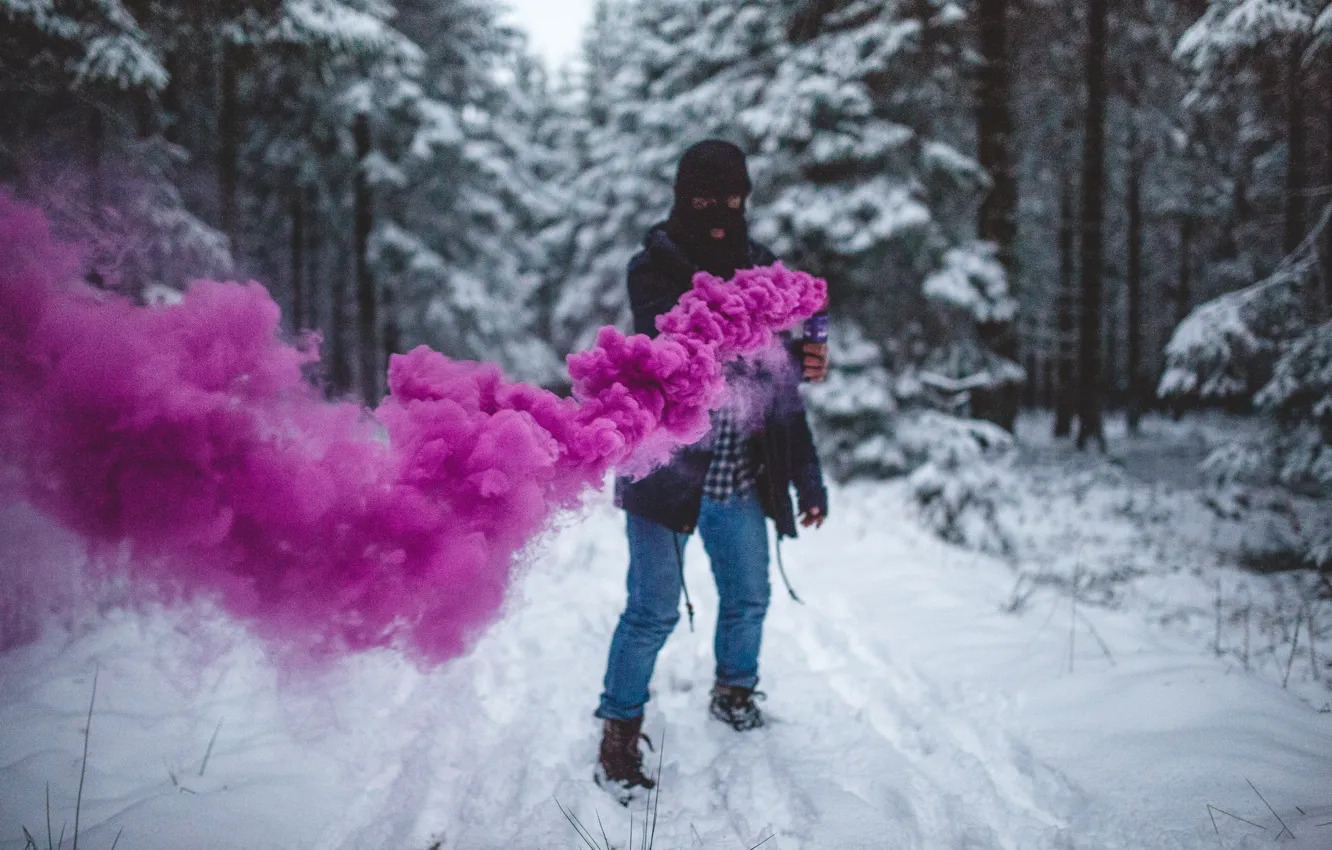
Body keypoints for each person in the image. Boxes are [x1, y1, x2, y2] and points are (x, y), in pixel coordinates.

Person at [593, 139, 830, 801]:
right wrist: (764, 309)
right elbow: (674, 344)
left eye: (731, 200)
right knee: (651, 612)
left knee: (750, 597)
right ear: (680, 198)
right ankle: (618, 726)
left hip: (740, 475)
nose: (718, 212)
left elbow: (780, 388)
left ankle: (734, 691)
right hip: (664, 473)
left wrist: (807, 475)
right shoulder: (654, 268)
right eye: (703, 200)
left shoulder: (761, 268)